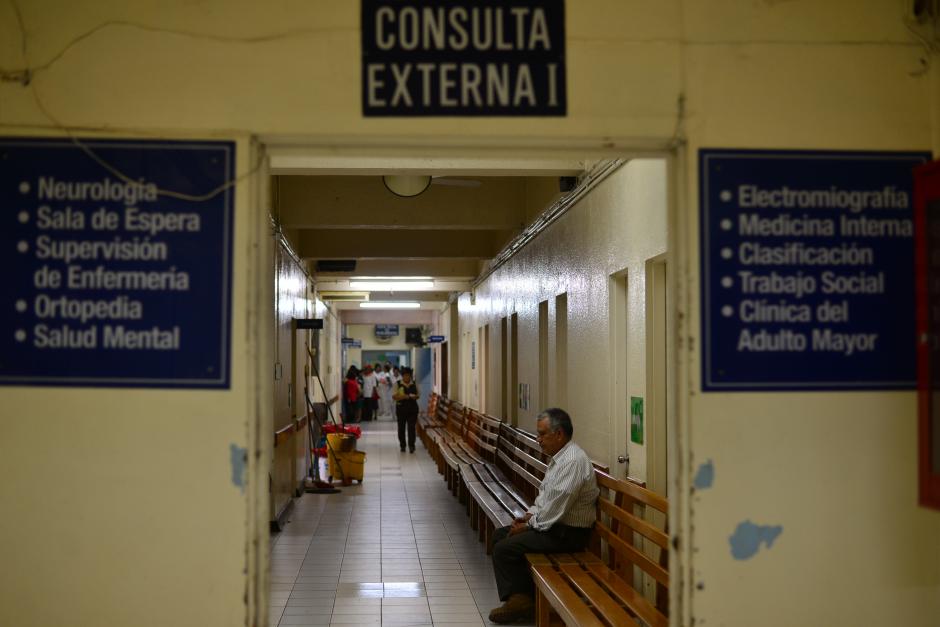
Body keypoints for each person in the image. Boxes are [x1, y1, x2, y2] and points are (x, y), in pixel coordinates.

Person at [487, 408, 600, 624]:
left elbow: (556, 508)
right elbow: (546, 496)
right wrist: (529, 516)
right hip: (555, 527)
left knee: (504, 548)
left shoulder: (572, 462)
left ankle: (523, 602)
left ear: (559, 434)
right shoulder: (559, 457)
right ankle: (522, 598)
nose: (538, 440)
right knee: (500, 536)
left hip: (568, 534)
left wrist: (530, 526)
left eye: (542, 434)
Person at [392, 367, 420, 453]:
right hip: (401, 409)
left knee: (411, 428)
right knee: (401, 428)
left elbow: (418, 395)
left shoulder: (414, 384)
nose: (407, 377)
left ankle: (411, 445)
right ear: (402, 376)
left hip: (413, 409)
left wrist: (414, 396)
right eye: (405, 375)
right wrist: (404, 396)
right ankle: (402, 446)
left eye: (408, 375)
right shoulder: (397, 384)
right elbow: (394, 396)